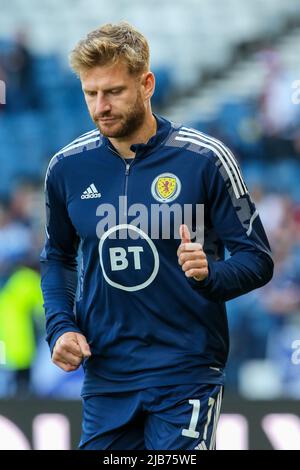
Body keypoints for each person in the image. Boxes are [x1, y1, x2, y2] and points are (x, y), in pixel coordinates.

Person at [40, 22, 274, 450]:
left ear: (146, 83)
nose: (100, 106)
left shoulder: (206, 159)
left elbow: (257, 259)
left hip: (185, 372)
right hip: (107, 375)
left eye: (113, 92)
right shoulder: (66, 168)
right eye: (90, 93)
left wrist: (209, 275)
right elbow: (56, 257)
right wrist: (60, 329)